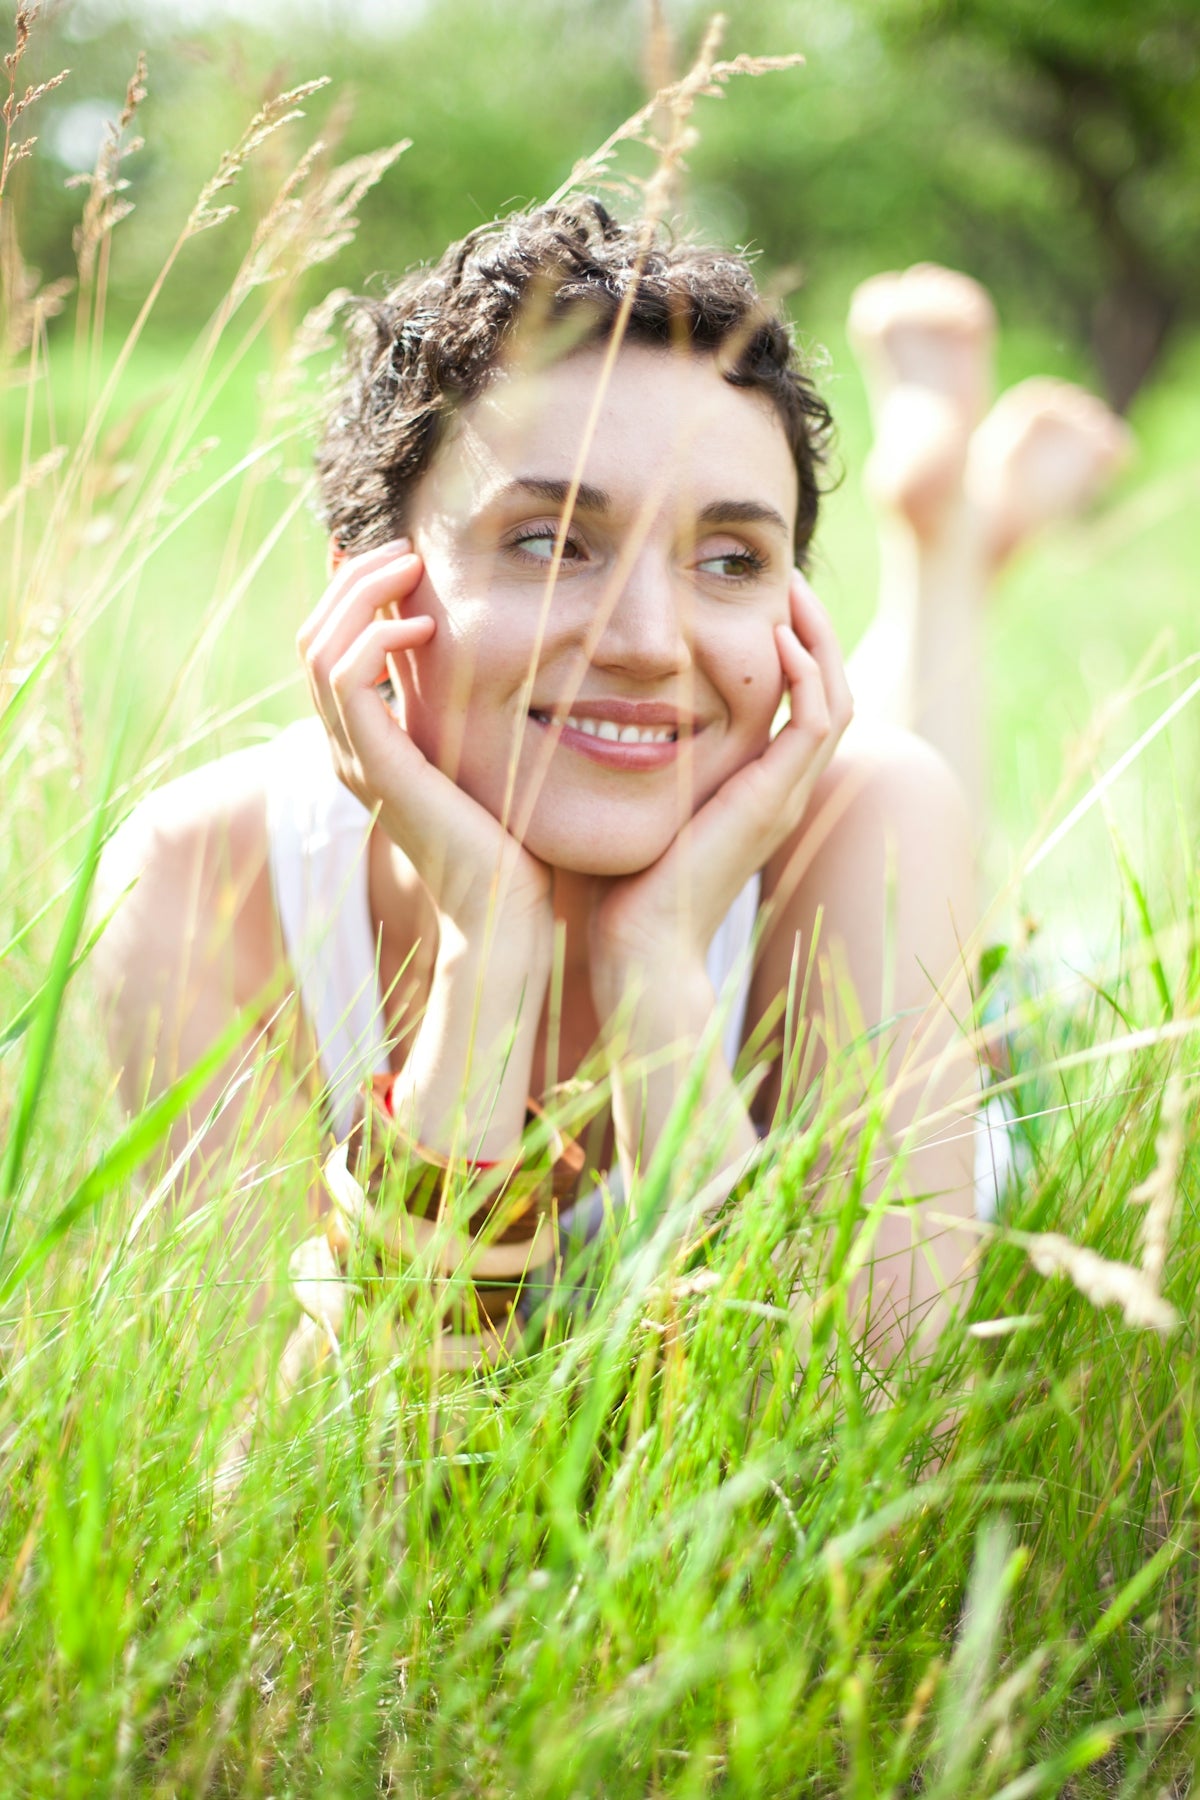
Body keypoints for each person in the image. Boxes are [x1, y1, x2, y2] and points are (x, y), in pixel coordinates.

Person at [94, 202, 996, 1407]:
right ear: (366, 586)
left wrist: (663, 972)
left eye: (731, 560)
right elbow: (298, 1487)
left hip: (964, 1000)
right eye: (549, 541)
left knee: (931, 798)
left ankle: (946, 550)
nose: (646, 642)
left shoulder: (866, 815)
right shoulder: (199, 879)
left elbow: (869, 1435)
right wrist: (487, 951)